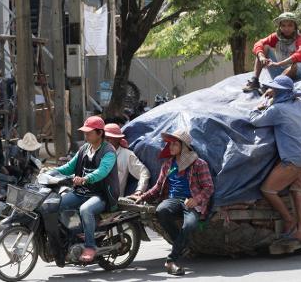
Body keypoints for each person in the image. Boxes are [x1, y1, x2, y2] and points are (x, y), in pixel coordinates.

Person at [131, 130, 214, 276]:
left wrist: (196, 200)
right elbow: (157, 187)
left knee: (190, 224)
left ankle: (171, 259)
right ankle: (180, 245)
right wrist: (142, 197)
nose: (171, 147)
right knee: (161, 210)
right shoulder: (168, 164)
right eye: (170, 144)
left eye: (175, 144)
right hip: (173, 200)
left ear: (184, 146)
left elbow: (209, 188)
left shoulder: (199, 164)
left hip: (191, 201)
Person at [250, 75, 301, 249]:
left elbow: (254, 120)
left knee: (268, 189)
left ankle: (289, 220)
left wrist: (260, 104)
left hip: (292, 160)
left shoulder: (277, 110)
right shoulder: (300, 103)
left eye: (275, 89)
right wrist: (280, 91)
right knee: (297, 191)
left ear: (281, 92)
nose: (273, 92)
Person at [55, 116, 119, 262]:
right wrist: (52, 171)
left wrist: (85, 179)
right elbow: (69, 167)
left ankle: (90, 246)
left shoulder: (109, 151)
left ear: (100, 133)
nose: (86, 135)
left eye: (89, 132)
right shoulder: (84, 148)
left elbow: (102, 171)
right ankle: (72, 238)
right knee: (56, 204)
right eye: (85, 132)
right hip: (81, 192)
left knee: (85, 210)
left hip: (101, 195)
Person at [243, 12, 301, 92]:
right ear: (279, 27)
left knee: (296, 65)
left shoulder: (299, 39)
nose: (286, 29)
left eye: (290, 25)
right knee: (264, 47)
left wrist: (278, 64)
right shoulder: (276, 37)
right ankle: (255, 81)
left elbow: (299, 55)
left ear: (295, 27)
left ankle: (274, 86)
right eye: (283, 26)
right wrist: (261, 56)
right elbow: (259, 44)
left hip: (296, 72)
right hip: (279, 72)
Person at [104, 123, 151, 196]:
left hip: (112, 198)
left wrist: (139, 190)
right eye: (104, 139)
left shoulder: (126, 154)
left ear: (118, 139)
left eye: (108, 139)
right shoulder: (96, 152)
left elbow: (144, 172)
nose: (105, 142)